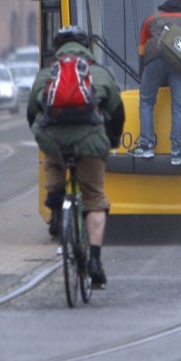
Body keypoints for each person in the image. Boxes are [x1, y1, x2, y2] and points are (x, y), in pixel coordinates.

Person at [27, 26, 125, 289]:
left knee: (52, 155)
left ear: (58, 48)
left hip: (54, 138)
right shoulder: (101, 74)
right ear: (86, 47)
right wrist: (112, 140)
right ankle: (94, 261)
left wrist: (44, 136)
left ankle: (56, 205)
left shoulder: (47, 74)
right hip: (90, 140)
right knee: (94, 199)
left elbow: (31, 111)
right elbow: (117, 113)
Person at [132, 0, 181, 165]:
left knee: (146, 102)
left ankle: (146, 146)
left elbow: (141, 51)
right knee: (180, 106)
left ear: (168, 0)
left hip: (154, 60)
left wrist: (144, 78)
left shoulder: (151, 19)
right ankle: (178, 150)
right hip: (179, 64)